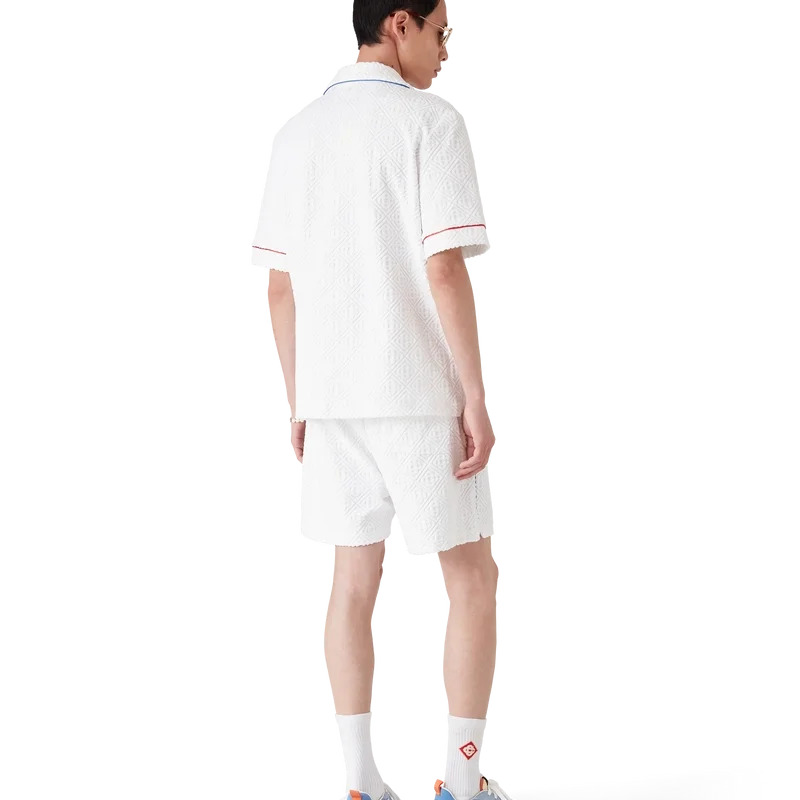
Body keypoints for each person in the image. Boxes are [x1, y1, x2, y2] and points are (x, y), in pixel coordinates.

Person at [253, 3, 505, 799]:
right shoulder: (432, 120)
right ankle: (463, 781)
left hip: (330, 397)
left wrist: (297, 399)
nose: (446, 51)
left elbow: (280, 287)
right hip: (418, 389)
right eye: (441, 32)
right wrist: (475, 395)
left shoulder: (294, 131)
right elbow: (444, 269)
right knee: (468, 577)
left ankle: (358, 780)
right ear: (400, 25)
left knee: (352, 584)